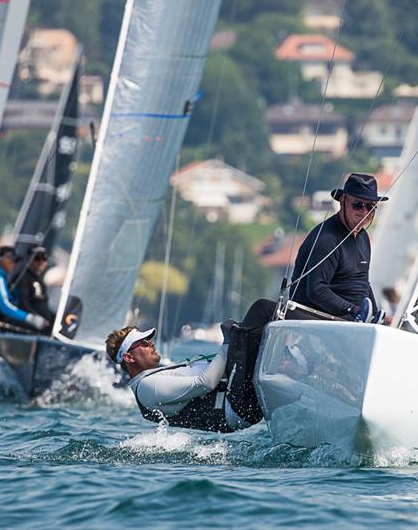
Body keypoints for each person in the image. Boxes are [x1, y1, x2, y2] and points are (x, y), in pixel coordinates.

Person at [106, 298, 276, 433]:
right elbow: (205, 383)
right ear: (128, 357)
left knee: (259, 324)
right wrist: (229, 341)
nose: (151, 343)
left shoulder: (151, 379)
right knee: (261, 309)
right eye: (143, 342)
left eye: (149, 339)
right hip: (237, 406)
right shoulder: (147, 386)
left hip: (237, 398)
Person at [289, 173, 386, 322]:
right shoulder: (326, 239)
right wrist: (354, 311)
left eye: (370, 206)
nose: (364, 211)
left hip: (351, 321)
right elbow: (316, 290)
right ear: (342, 201)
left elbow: (363, 284)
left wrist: (376, 316)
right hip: (317, 319)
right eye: (358, 204)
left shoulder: (363, 237)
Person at [0, 246, 48, 333]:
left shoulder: (1, 277)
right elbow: (5, 305)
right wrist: (29, 318)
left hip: (0, 327)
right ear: (1, 259)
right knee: (40, 330)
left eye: (16, 261)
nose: (14, 263)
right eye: (12, 259)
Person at [14, 246, 55, 334]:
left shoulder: (39, 279)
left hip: (45, 327)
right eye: (37, 258)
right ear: (29, 259)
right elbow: (22, 302)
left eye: (44, 258)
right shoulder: (23, 277)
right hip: (31, 329)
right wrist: (34, 317)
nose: (41, 261)